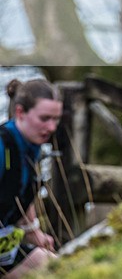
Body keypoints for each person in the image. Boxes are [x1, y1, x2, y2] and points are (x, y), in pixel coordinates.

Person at [0, 79, 60, 278]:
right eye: (44, 118)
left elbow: (19, 194)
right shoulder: (2, 148)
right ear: (20, 113)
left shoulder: (30, 148)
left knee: (53, 265)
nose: (51, 127)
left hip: (5, 253)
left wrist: (34, 232)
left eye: (56, 119)